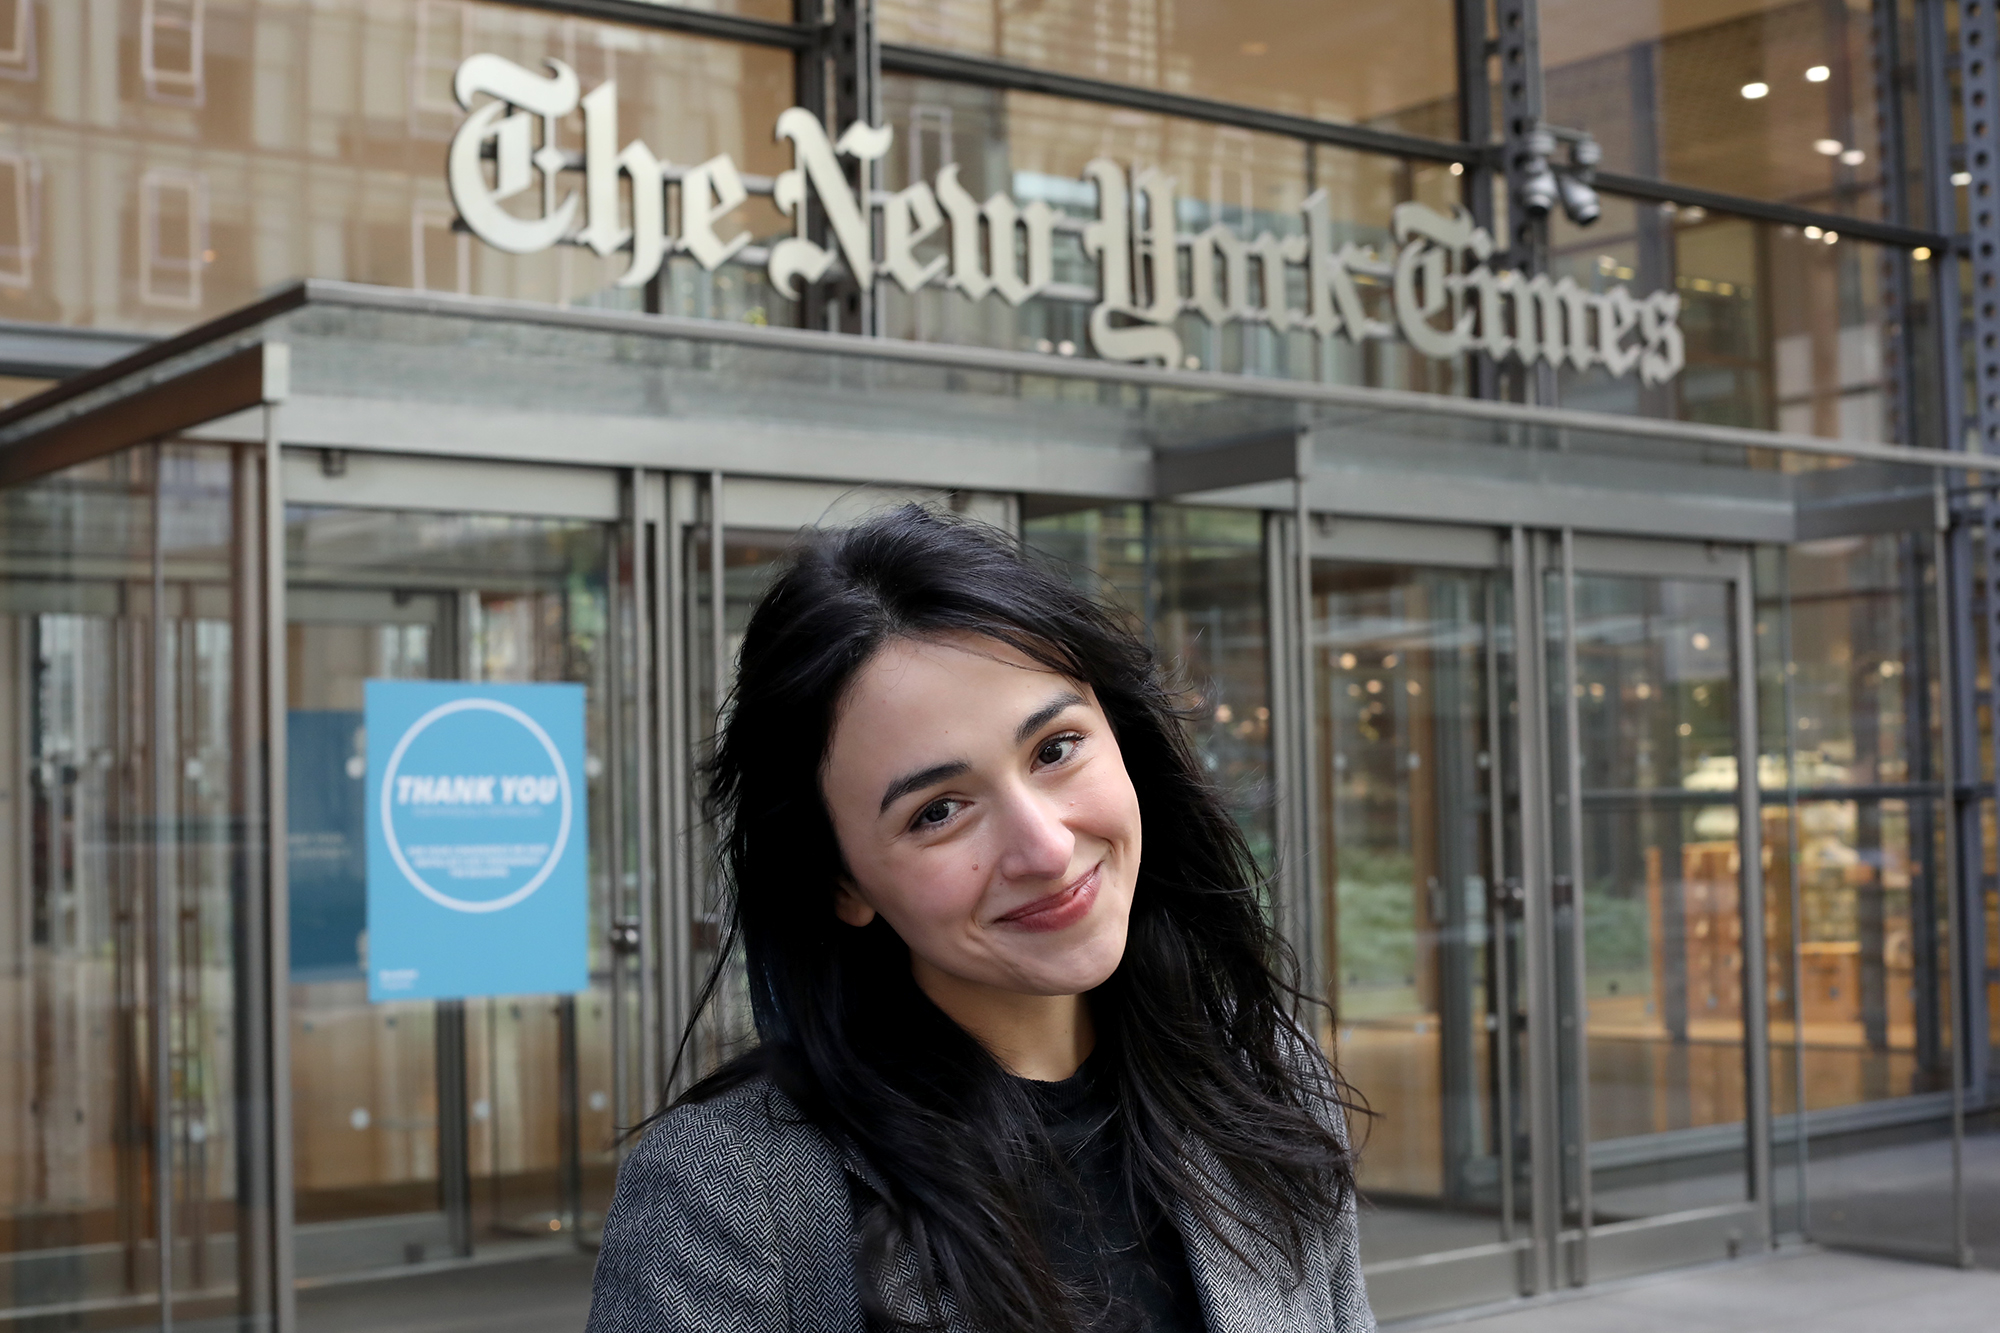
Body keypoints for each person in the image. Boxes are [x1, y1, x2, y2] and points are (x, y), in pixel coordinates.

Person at [586, 505, 1372, 1333]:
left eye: (1055, 748)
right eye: (939, 810)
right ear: (842, 883)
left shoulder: (1262, 1077)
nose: (1043, 844)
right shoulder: (732, 1197)